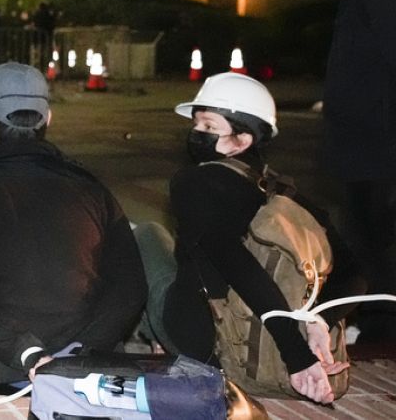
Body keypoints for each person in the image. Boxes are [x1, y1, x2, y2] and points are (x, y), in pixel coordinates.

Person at [0, 62, 145, 395]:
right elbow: (131, 287)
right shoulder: (92, 190)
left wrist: (27, 352)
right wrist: (78, 351)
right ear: (47, 119)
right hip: (83, 369)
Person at [134, 72, 365, 405]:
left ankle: (156, 340)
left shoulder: (193, 182)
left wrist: (297, 356)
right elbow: (355, 272)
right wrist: (318, 319)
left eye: (209, 127)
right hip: (257, 347)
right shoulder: (285, 193)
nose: (196, 133)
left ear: (242, 140)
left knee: (146, 234)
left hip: (201, 341)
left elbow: (232, 259)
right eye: (197, 124)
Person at [320, 0, 396, 341]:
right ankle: (374, 326)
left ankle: (382, 336)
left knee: (375, 247)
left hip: (378, 153)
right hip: (365, 150)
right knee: (366, 245)